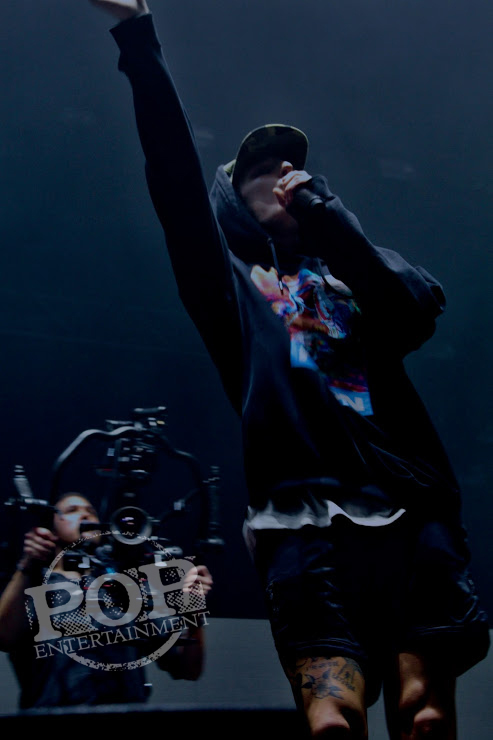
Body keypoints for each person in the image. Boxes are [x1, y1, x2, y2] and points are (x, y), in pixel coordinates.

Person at [88, 2, 490, 737]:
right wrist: (137, 36)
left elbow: (415, 310)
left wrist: (327, 220)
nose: (283, 172)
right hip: (303, 524)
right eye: (260, 168)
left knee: (425, 715)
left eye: (292, 165)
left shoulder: (353, 272)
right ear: (230, 202)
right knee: (331, 722)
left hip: (412, 512)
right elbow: (173, 179)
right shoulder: (232, 290)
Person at [0, 492, 212, 709]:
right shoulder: (34, 582)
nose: (85, 515)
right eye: (72, 511)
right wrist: (28, 563)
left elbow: (189, 669)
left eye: (91, 512)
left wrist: (194, 610)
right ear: (51, 529)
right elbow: (4, 636)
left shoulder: (129, 585)